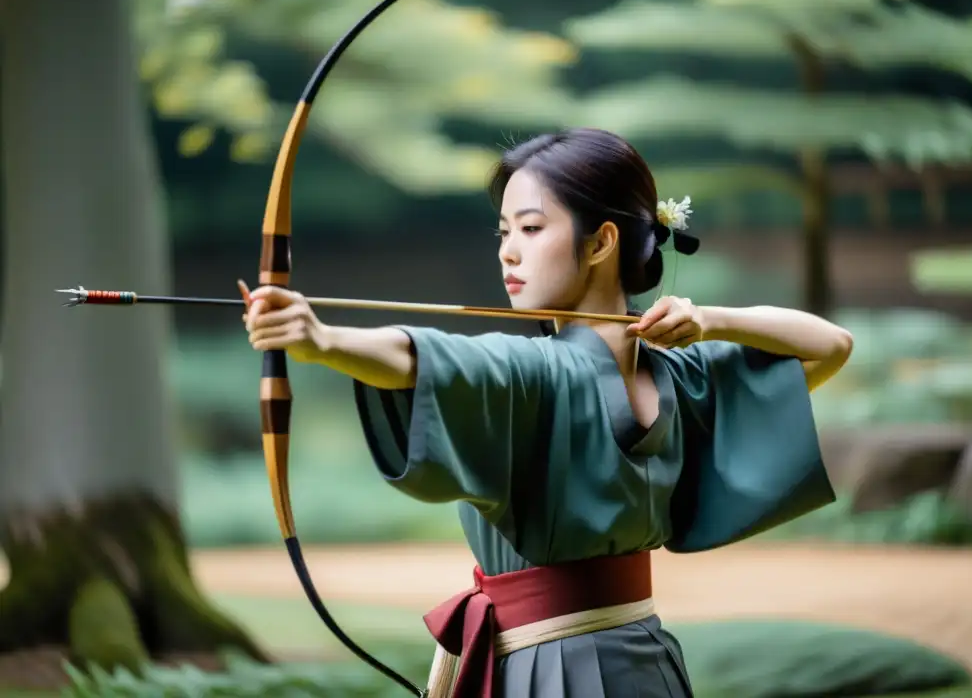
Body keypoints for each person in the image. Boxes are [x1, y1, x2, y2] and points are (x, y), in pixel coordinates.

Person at [241, 127, 853, 698]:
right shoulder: (533, 370)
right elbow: (425, 356)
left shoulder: (681, 374)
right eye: (502, 233)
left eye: (530, 229)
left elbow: (831, 345)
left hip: (598, 664)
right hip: (605, 662)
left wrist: (711, 319)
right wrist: (319, 340)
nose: (508, 253)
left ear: (601, 242)